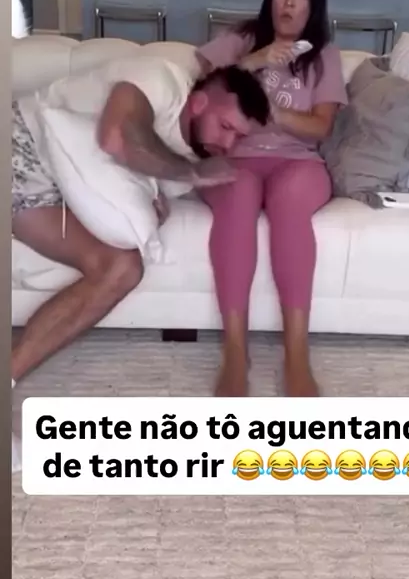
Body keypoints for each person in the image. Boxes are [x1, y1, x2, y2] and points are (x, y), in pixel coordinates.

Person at [11, 58, 270, 385]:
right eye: (226, 127)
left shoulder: (192, 155)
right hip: (21, 142)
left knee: (123, 269)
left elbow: (147, 193)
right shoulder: (160, 78)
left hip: (52, 193)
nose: (228, 145)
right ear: (199, 103)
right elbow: (117, 136)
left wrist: (156, 204)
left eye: (239, 137)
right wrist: (192, 173)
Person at [196, 0, 348, 398]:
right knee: (238, 197)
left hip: (297, 161)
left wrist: (274, 111)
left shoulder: (324, 55)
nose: (289, 4)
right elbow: (201, 92)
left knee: (289, 204)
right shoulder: (242, 39)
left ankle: (296, 355)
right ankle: (235, 353)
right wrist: (252, 63)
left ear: (314, 6)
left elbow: (320, 128)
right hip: (237, 155)